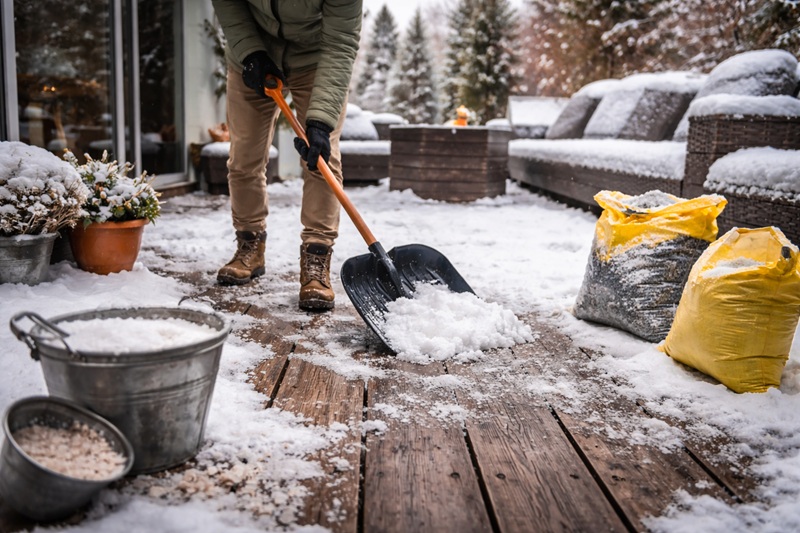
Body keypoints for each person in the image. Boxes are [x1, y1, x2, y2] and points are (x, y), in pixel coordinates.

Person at [211, 0, 363, 311]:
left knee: (322, 159)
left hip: (317, 57)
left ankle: (316, 258)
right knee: (244, 157)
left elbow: (340, 44)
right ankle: (250, 246)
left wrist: (320, 121)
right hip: (254, 52)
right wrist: (250, 52)